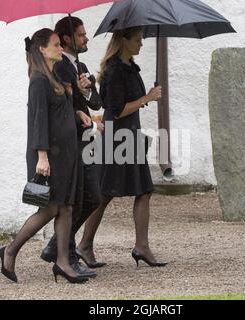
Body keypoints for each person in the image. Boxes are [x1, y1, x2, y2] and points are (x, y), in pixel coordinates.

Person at [0, 28, 89, 284]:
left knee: (67, 207)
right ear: (42, 49)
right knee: (49, 209)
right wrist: (42, 157)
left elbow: (60, 113)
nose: (61, 48)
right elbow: (38, 121)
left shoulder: (56, 77)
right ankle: (11, 250)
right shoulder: (38, 80)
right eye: (56, 45)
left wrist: (78, 112)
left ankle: (62, 262)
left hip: (67, 153)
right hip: (50, 156)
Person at [76, 27, 167, 267]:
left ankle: (141, 246)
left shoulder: (128, 66)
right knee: (104, 195)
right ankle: (84, 245)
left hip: (129, 135)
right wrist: (147, 98)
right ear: (123, 41)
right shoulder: (116, 69)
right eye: (137, 39)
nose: (141, 44)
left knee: (143, 190)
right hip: (118, 137)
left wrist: (145, 98)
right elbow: (115, 111)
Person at [40, 17, 105, 276]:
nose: (86, 38)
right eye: (81, 35)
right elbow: (62, 104)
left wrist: (87, 91)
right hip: (67, 143)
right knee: (72, 202)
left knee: (92, 198)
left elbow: (97, 103)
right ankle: (66, 257)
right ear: (67, 39)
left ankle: (55, 247)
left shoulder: (83, 65)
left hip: (85, 141)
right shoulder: (57, 67)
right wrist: (77, 95)